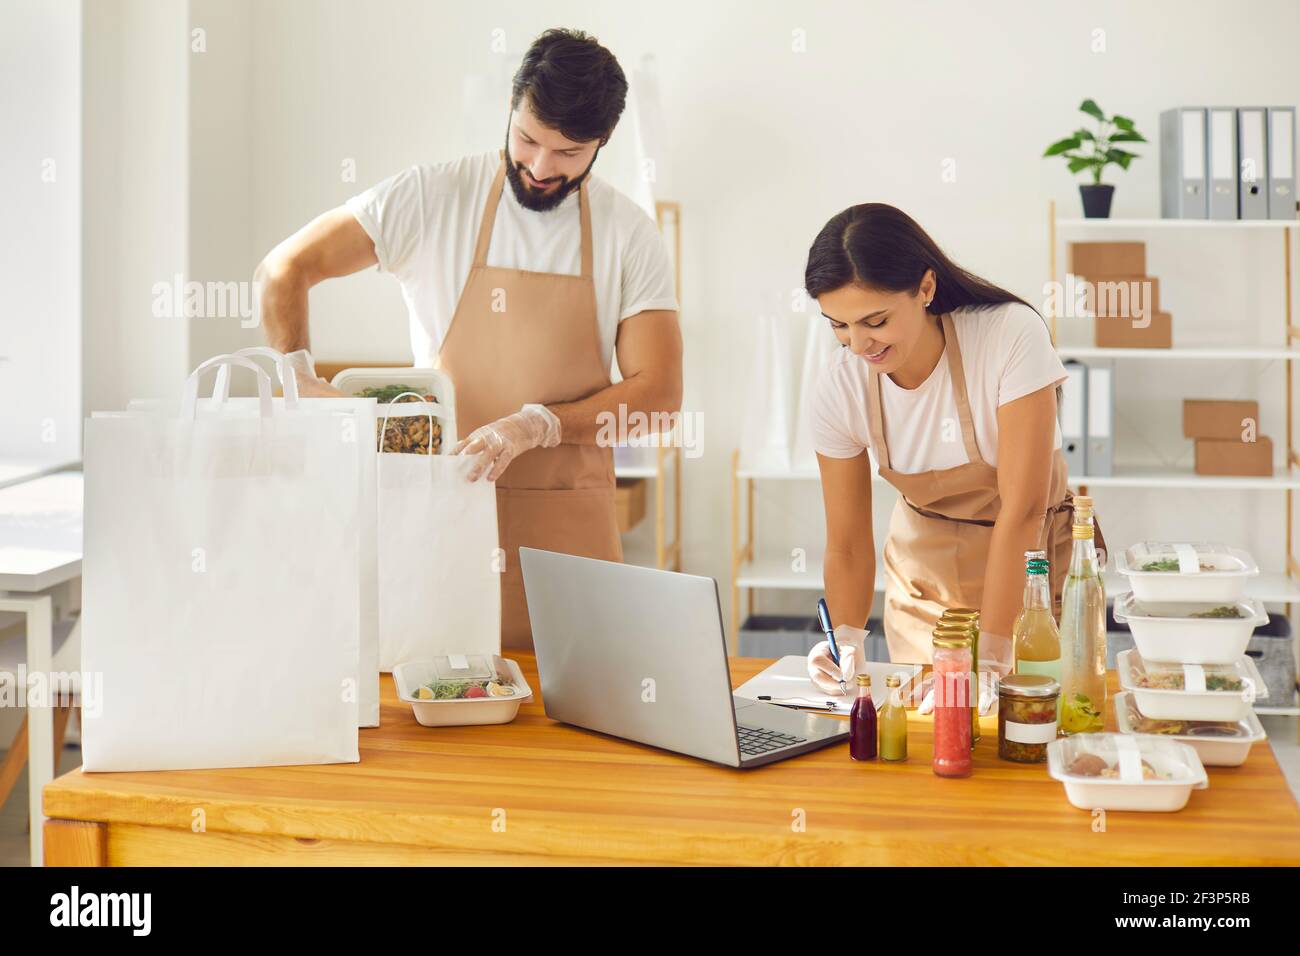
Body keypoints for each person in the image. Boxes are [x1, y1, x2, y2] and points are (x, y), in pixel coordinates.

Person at [256, 29, 682, 649]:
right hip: (440, 516)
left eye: (567, 153)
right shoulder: (431, 198)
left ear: (602, 144)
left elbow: (660, 396)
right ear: (511, 108)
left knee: (571, 718)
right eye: (528, 138)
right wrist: (293, 372)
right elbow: (283, 270)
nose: (539, 168)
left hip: (568, 534)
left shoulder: (629, 233)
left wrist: (538, 425)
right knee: (434, 705)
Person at [802, 203, 1092, 695]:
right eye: (838, 325)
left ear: (926, 289)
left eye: (874, 320)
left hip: (1031, 574)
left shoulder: (1007, 336)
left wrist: (995, 653)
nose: (858, 345)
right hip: (924, 587)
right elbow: (847, 543)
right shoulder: (839, 385)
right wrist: (845, 640)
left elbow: (1022, 510)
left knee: (1030, 729)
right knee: (931, 744)